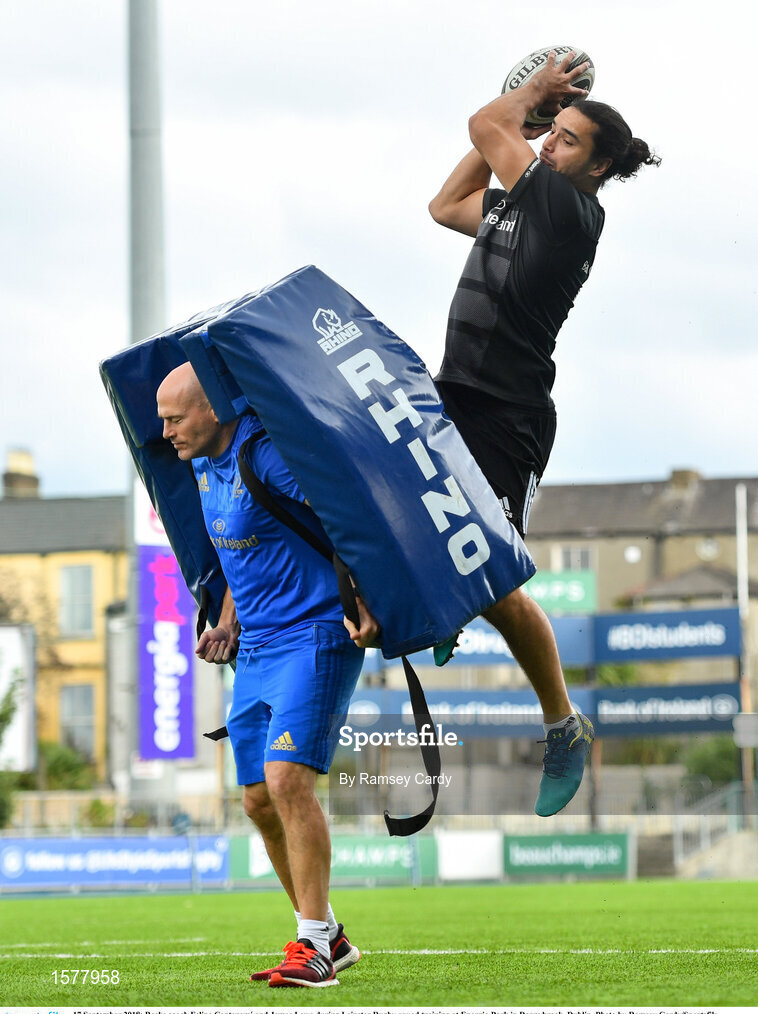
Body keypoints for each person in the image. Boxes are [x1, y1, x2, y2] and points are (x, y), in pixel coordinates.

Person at [346, 52, 660, 818]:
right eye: (551, 133)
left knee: (497, 577)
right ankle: (442, 603)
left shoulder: (567, 208)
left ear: (600, 165)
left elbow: (487, 124)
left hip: (508, 413)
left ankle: (562, 725)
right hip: (455, 397)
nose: (551, 142)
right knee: (384, 504)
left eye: (569, 137)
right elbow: (446, 203)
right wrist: (529, 112)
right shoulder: (524, 202)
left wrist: (524, 101)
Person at [157, 362, 377, 988]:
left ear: (214, 408)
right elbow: (238, 553)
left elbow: (352, 518)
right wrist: (227, 620)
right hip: (254, 649)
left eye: (176, 418)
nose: (167, 432)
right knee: (256, 800)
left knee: (286, 780)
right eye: (163, 420)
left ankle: (312, 949)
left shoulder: (272, 455)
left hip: (315, 636)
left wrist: (369, 595)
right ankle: (330, 935)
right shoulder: (201, 466)